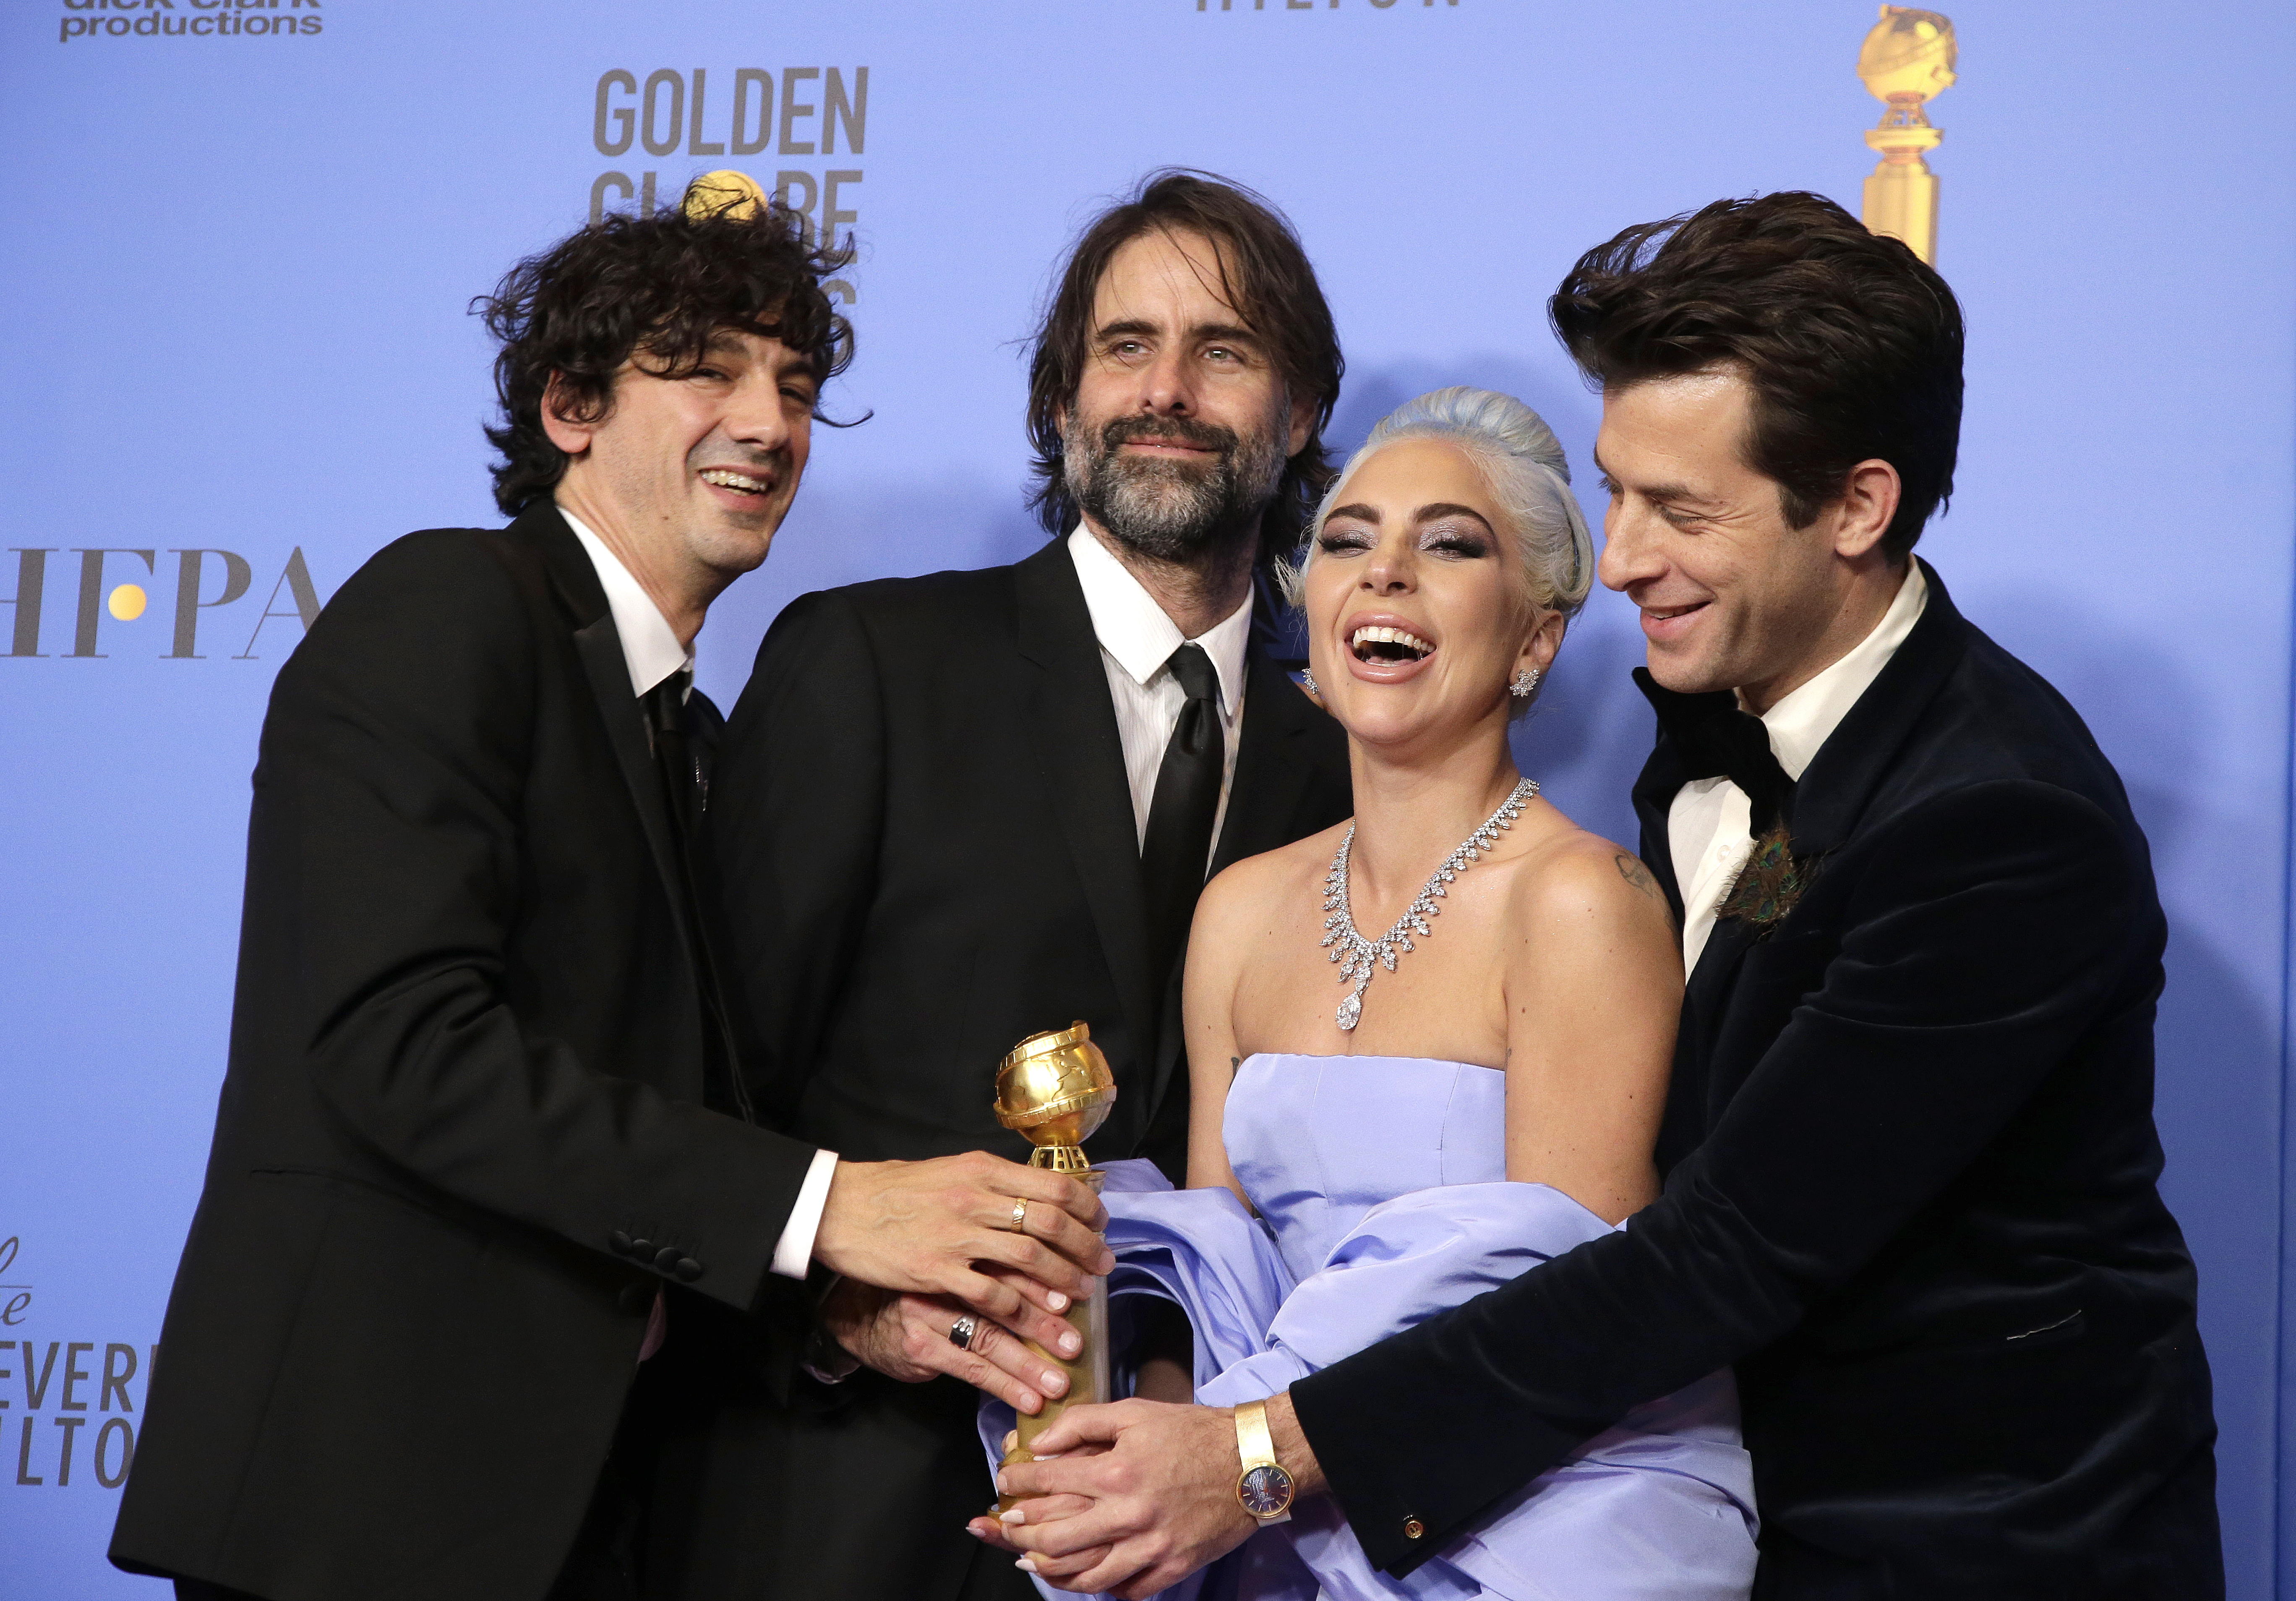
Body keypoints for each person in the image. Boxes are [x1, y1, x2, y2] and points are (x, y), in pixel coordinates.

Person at [993, 192, 2222, 1599]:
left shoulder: (1999, 822)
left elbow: (1714, 1258)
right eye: (1616, 490)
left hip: (1969, 1543)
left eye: (1680, 509)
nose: (1626, 551)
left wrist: (1257, 1461)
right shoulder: (1711, 749)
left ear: (1859, 508)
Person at [107, 187, 1110, 1601]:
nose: (770, 421)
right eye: (706, 368)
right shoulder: (449, 608)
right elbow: (397, 1039)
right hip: (365, 1513)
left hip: (585, 1522)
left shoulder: (693, 739)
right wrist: (827, 1206)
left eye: (796, 383)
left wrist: (838, 1306)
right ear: (572, 407)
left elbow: (666, 1120)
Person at [683, 170, 1354, 1601]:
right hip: (853, 1519)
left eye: (1224, 351)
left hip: (1210, 1546)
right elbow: (696, 1090)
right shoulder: (872, 665)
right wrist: (839, 1306)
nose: (1166, 390)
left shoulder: (1359, 762)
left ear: (1300, 417)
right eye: (1125, 347)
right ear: (1062, 401)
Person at [971, 387, 1761, 1601]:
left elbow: (1571, 1328)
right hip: (1260, 1516)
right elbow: (1212, 1276)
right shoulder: (1238, 912)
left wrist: (1236, 1468)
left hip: (1531, 1518)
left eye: (1449, 545)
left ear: (1538, 639)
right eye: (1348, 541)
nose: (1385, 574)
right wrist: (1133, 1469)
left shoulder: (1581, 903)